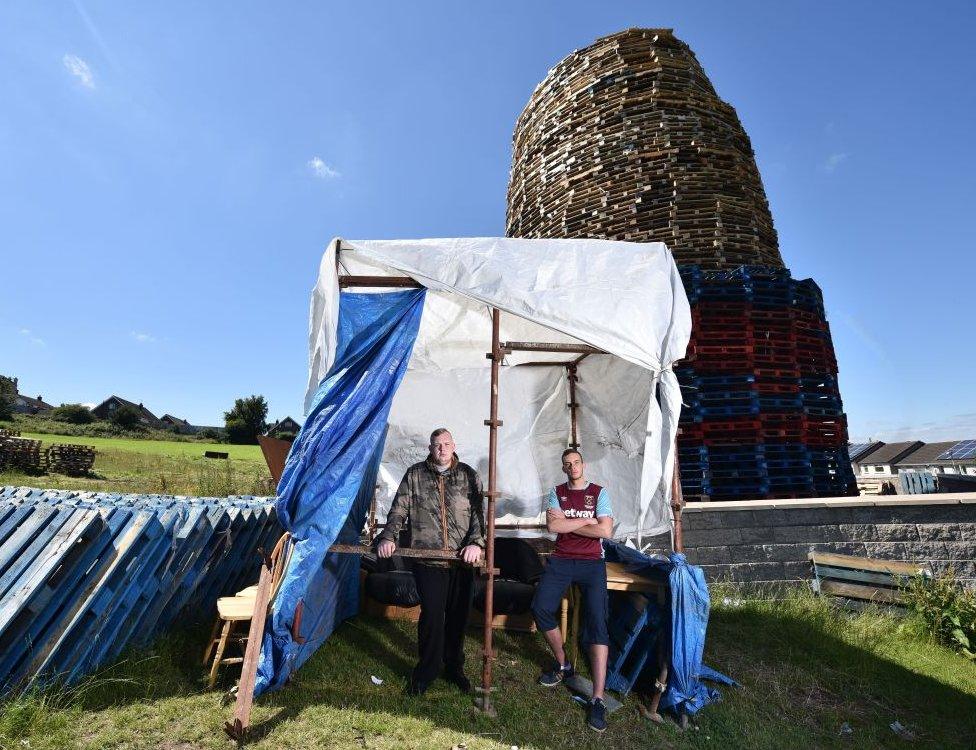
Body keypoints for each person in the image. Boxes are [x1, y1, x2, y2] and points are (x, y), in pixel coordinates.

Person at [376, 428, 486, 696]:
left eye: (446, 444)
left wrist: (476, 543)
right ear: (430, 447)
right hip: (428, 561)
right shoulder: (415, 474)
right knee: (432, 619)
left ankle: (453, 668)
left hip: (462, 562)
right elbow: (399, 509)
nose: (442, 449)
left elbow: (479, 515)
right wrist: (388, 537)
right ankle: (426, 671)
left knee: (458, 619)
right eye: (437, 445)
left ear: (454, 445)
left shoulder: (469, 475)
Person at [530, 448, 613, 733]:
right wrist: (588, 520)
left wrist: (570, 522)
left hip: (592, 563)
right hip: (562, 558)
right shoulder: (557, 492)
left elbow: (606, 532)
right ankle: (564, 664)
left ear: (582, 464)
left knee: (597, 623)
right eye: (567, 464)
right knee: (540, 608)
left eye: (576, 462)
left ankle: (598, 699)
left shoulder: (599, 492)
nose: (572, 466)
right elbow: (554, 525)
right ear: (564, 468)